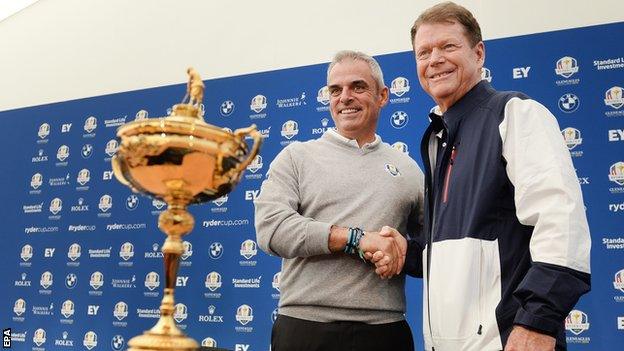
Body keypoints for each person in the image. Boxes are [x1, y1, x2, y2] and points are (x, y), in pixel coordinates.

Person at [371, 2, 591, 350]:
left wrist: (537, 322)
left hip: (509, 341)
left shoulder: (515, 114)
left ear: (479, 53)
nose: (435, 59)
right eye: (424, 52)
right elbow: (466, 252)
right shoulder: (436, 139)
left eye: (448, 46)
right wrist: (412, 254)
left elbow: (562, 223)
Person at [254, 50, 424, 351]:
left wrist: (400, 251)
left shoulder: (409, 170)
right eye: (335, 90)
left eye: (358, 87)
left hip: (385, 332)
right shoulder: (296, 158)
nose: (345, 97)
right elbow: (272, 229)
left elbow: (434, 248)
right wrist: (355, 240)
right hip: (305, 329)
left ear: (383, 96)